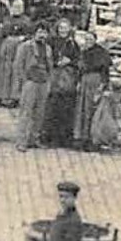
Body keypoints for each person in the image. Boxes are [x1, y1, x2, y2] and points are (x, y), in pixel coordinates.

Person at [42, 17, 82, 148]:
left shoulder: (73, 44)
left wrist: (69, 62)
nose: (63, 30)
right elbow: (47, 57)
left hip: (68, 79)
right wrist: (55, 63)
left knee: (66, 108)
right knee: (52, 107)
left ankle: (64, 138)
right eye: (61, 28)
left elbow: (79, 61)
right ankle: (50, 137)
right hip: (55, 77)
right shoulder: (51, 42)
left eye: (65, 28)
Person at [13, 23, 53, 150]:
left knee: (39, 113)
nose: (42, 35)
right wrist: (23, 81)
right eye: (40, 32)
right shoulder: (25, 47)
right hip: (30, 82)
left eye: (45, 33)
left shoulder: (48, 49)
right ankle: (21, 141)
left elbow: (50, 67)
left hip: (43, 82)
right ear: (34, 33)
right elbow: (18, 65)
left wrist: (49, 81)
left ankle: (33, 138)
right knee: (26, 112)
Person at [73, 30, 111, 150]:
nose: (88, 42)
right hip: (85, 81)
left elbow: (105, 71)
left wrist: (103, 86)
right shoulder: (83, 52)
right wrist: (79, 81)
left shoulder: (101, 53)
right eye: (86, 39)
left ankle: (93, 139)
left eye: (91, 39)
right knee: (82, 110)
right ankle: (82, 137)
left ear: (95, 40)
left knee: (93, 111)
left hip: (95, 81)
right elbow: (80, 69)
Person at [0, 0, 29, 106]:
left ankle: (14, 97)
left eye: (19, 7)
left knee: (16, 71)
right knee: (4, 70)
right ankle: (1, 95)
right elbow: (1, 34)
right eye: (14, 7)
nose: (16, 9)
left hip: (19, 47)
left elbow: (29, 35)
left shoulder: (26, 20)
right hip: (7, 47)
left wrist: (21, 38)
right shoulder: (7, 19)